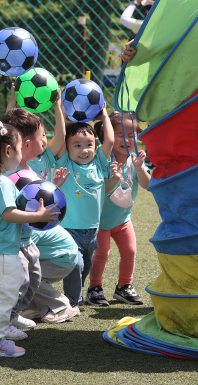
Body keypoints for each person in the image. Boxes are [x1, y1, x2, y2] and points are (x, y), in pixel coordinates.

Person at [0, 121, 60, 358]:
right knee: (1, 298)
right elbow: (8, 214)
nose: (21, 155)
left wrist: (51, 188)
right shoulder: (0, 182)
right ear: (8, 151)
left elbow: (13, 203)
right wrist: (38, 215)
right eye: (19, 149)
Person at [2, 99, 78, 325]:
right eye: (42, 136)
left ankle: (61, 306)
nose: (45, 141)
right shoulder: (17, 171)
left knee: (21, 275)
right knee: (22, 272)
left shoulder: (19, 173)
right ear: (25, 144)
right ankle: (35, 307)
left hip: (60, 256)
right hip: (52, 250)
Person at [87, 112, 151, 306]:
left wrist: (140, 168)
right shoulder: (103, 159)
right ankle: (94, 288)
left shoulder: (135, 159)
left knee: (130, 251)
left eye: (132, 134)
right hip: (100, 221)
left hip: (123, 219)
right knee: (102, 253)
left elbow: (147, 184)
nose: (127, 139)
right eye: (120, 134)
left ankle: (124, 286)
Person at [53, 106, 114, 307]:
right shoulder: (66, 164)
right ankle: (73, 302)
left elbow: (110, 141)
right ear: (67, 148)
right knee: (76, 264)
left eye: (89, 144)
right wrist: (60, 113)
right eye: (77, 145)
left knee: (86, 266)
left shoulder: (98, 163)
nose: (84, 150)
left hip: (92, 230)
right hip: (69, 229)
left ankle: (76, 294)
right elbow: (60, 137)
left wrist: (104, 115)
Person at [21, 226, 79, 323]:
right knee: (24, 274)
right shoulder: (28, 225)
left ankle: (62, 306)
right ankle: (36, 307)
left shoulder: (31, 229)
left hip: (62, 258)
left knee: (29, 276)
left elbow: (20, 254)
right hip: (59, 256)